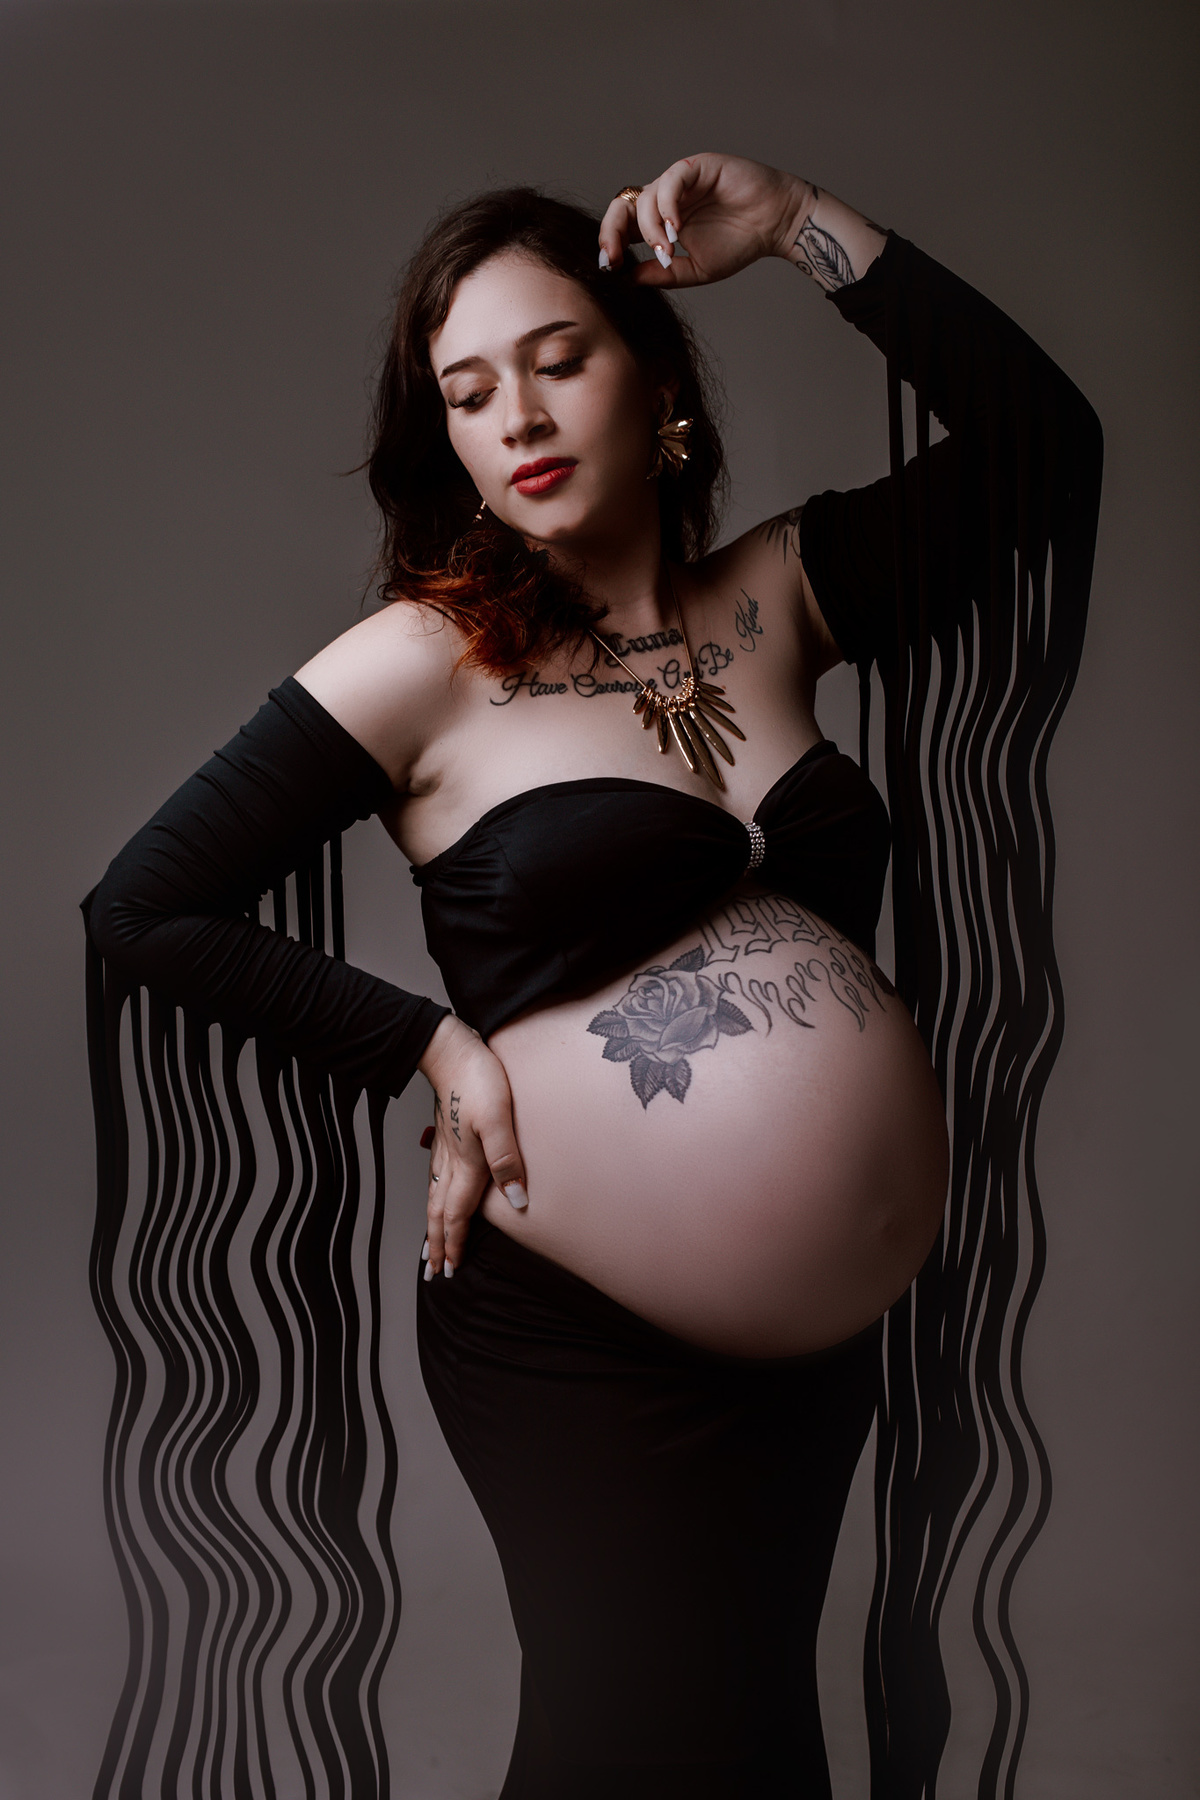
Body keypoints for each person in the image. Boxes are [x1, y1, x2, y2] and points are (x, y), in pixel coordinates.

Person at [84, 154, 1102, 1799]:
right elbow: (144, 907)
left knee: (729, 1753)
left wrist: (797, 227)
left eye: (558, 358)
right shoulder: (428, 663)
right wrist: (431, 1047)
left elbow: (1048, 450)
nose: (520, 418)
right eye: (470, 393)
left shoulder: (777, 601)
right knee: (661, 1741)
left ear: (654, 374)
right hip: (570, 1338)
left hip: (802, 1356)